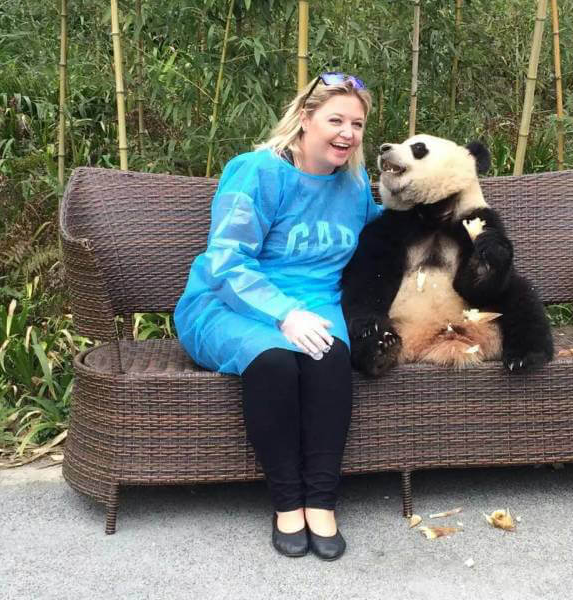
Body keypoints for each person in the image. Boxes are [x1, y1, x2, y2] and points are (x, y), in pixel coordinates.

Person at [174, 73, 381, 560]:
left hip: (316, 305)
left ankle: (321, 502)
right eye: (336, 120)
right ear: (305, 119)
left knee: (329, 360)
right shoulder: (257, 172)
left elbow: (378, 231)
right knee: (274, 362)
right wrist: (284, 314)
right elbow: (227, 262)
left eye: (357, 123)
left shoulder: (354, 184)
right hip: (229, 302)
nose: (347, 133)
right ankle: (287, 502)